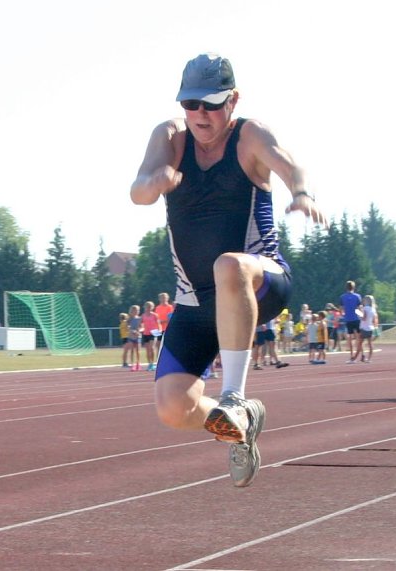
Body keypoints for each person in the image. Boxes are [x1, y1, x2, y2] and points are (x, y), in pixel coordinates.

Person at [130, 52, 327, 487]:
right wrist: (157, 180)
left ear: (232, 101)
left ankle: (236, 396)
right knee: (172, 408)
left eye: (211, 104)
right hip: (195, 302)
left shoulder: (248, 137)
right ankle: (238, 424)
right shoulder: (170, 138)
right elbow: (138, 191)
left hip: (260, 283)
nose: (200, 113)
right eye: (190, 104)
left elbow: (289, 162)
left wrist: (302, 192)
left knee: (229, 265)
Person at [341, 281, 363, 363]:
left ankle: (351, 356)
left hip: (348, 319)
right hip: (356, 319)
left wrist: (344, 315)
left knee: (350, 338)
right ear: (354, 287)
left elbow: (341, 309)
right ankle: (362, 355)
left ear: (346, 287)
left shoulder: (343, 297)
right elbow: (360, 308)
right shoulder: (357, 296)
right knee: (358, 338)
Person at [141, 300, 160, 371]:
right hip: (146, 333)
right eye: (147, 307)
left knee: (152, 348)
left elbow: (158, 324)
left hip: (154, 332)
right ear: (145, 307)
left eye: (150, 307)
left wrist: (159, 330)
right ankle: (150, 364)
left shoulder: (155, 315)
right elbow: (140, 324)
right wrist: (140, 329)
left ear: (152, 307)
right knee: (147, 350)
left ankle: (153, 363)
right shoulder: (143, 315)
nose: (148, 308)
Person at [358, 294, 378, 363]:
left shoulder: (365, 308)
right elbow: (374, 320)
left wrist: (359, 315)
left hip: (364, 327)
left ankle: (363, 355)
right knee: (370, 344)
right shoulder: (373, 309)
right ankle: (369, 358)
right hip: (370, 328)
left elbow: (364, 318)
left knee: (360, 343)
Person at [126, 304, 143, 372]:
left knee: (138, 351)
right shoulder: (129, 319)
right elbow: (128, 327)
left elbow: (142, 327)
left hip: (138, 336)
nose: (135, 312)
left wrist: (139, 331)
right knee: (132, 351)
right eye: (134, 310)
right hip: (131, 336)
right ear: (131, 311)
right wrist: (132, 331)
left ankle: (138, 364)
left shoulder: (140, 318)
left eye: (137, 310)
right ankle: (132, 365)